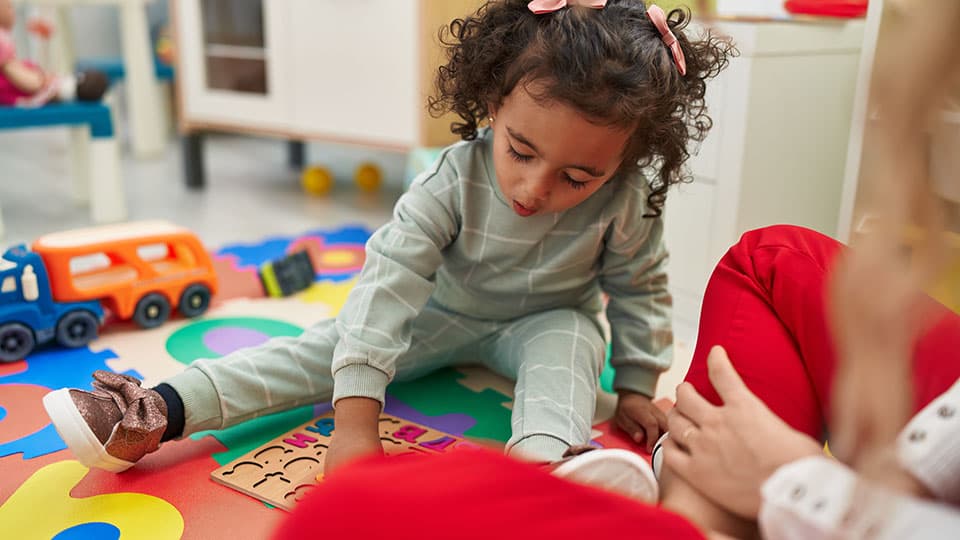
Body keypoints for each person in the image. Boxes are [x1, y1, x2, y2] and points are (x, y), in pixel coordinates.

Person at [42, 0, 733, 498]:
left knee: (572, 351)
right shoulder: (451, 180)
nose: (533, 187)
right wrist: (355, 420)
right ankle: (151, 410)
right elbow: (387, 288)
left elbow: (642, 286)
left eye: (578, 178)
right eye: (520, 150)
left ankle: (544, 481)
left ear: (628, 161)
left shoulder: (628, 200)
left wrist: (639, 384)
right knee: (324, 347)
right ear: (493, 103)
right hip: (434, 311)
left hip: (547, 318)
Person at [0, 0, 107, 107]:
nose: (13, 11)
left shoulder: (4, 37)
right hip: (22, 88)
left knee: (57, 82)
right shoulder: (2, 40)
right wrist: (39, 82)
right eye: (9, 7)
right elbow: (11, 69)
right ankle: (77, 86)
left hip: (23, 84)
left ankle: (76, 85)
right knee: (59, 85)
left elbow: (13, 68)